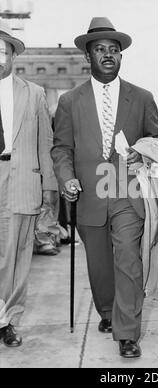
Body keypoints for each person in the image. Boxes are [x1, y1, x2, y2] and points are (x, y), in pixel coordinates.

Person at [51, 17, 158, 358]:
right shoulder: (70, 101)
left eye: (113, 50)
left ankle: (127, 332)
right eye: (100, 49)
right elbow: (61, 148)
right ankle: (108, 311)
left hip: (128, 190)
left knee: (129, 260)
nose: (107, 55)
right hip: (87, 193)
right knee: (100, 266)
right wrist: (66, 177)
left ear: (121, 56)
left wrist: (142, 155)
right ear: (87, 56)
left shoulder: (142, 97)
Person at [0, 20, 57, 347]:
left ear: (13, 56)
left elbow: (45, 144)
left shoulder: (33, 93)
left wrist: (49, 189)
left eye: (2, 50)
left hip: (22, 178)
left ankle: (8, 320)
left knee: (18, 254)